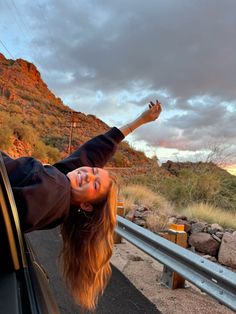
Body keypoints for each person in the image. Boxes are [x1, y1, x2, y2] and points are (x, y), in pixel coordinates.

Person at [1, 100, 162, 310]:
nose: (86, 174)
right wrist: (140, 120)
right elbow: (96, 150)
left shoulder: (56, 189)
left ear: (86, 205)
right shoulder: (62, 192)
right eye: (93, 171)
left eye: (94, 184)